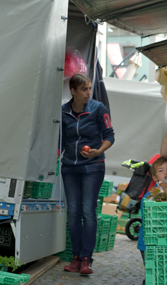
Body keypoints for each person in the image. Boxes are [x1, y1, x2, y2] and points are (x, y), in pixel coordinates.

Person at [61, 73, 115, 275]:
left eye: (89, 88)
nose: (88, 93)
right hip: (69, 168)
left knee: (87, 210)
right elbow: (60, 140)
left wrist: (98, 151)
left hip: (93, 166)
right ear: (72, 91)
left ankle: (86, 259)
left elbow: (110, 135)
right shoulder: (64, 111)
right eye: (84, 89)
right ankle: (75, 257)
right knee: (73, 212)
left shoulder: (98, 108)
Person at [137, 156, 167, 285]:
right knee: (153, 275)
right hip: (149, 244)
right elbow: (148, 218)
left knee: (164, 274)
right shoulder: (150, 197)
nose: (166, 173)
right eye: (161, 170)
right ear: (155, 178)